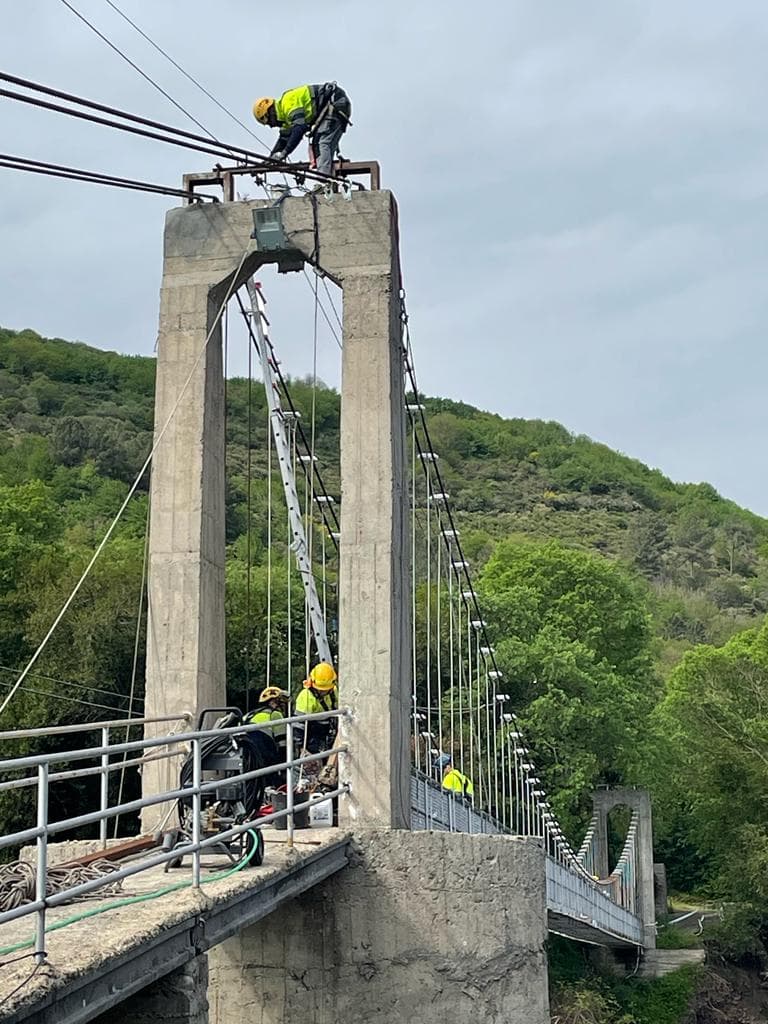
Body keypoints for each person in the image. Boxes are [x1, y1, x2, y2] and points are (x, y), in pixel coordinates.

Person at [252, 83, 351, 177]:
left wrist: (284, 153)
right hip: (334, 105)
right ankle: (327, 179)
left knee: (322, 143)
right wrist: (269, 160)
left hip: (335, 103)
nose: (271, 126)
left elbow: (300, 129)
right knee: (320, 144)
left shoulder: (288, 104)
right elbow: (284, 139)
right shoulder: (284, 116)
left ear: (270, 112)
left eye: (269, 122)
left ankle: (324, 181)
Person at [294, 661, 338, 756]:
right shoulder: (306, 697)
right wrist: (302, 748)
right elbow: (298, 725)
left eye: (325, 689)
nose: (323, 692)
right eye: (320, 689)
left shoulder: (334, 691)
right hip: (312, 737)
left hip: (328, 733)